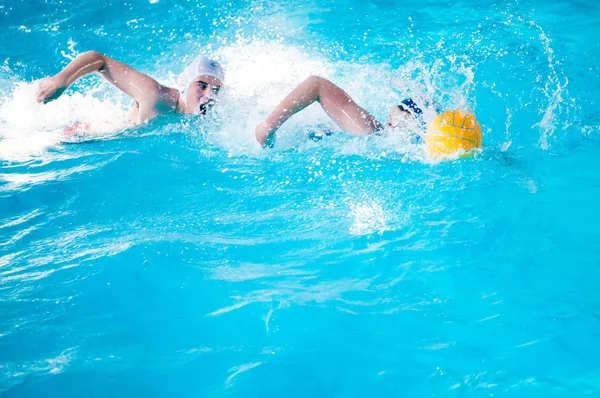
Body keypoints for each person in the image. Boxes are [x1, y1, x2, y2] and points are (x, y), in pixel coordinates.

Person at [36, 51, 224, 125]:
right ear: (184, 84)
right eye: (201, 85)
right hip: (88, 136)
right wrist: (60, 80)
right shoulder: (155, 95)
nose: (209, 95)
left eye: (215, 89)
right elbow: (98, 60)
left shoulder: (212, 118)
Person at [255, 75, 425, 147]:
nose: (396, 113)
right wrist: (268, 126)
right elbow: (316, 84)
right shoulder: (369, 129)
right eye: (401, 107)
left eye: (408, 111)